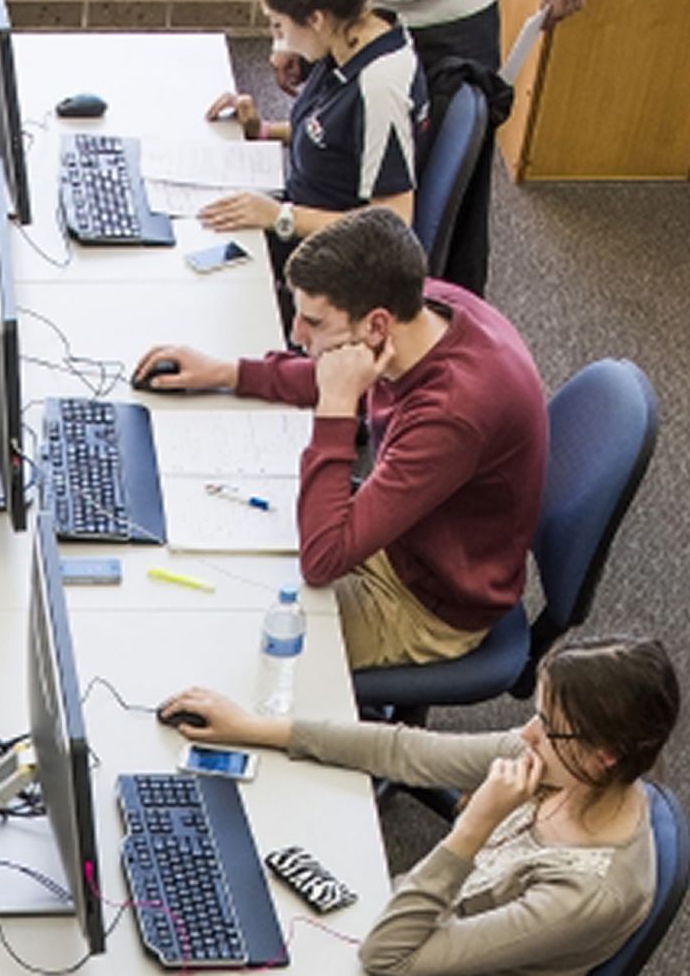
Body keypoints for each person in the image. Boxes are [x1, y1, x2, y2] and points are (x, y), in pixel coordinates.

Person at [135, 207, 547, 669]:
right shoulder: (420, 306)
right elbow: (341, 366)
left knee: (232, 646)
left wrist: (336, 408)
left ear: (376, 325)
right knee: (215, 571)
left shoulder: (452, 414)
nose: (297, 335)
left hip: (426, 602)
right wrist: (231, 372)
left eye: (314, 322)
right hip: (404, 534)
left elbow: (322, 558)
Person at [159, 632, 679, 976]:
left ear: (604, 756)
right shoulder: (563, 766)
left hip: (411, 950)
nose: (526, 733)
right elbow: (408, 752)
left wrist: (475, 825)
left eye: (547, 725)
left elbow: (387, 958)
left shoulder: (590, 894)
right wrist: (256, 729)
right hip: (414, 913)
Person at [269, 0, 589, 296]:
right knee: (332, 164)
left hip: (454, 3)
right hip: (344, 0)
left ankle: (443, 347)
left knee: (449, 217)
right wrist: (284, 23)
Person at [200, 0, 427, 330]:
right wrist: (263, 129)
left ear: (317, 19)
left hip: (326, 264)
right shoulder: (347, 37)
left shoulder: (379, 88)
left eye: (279, 27)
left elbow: (392, 223)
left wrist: (279, 217)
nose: (278, 42)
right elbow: (333, 136)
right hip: (294, 217)